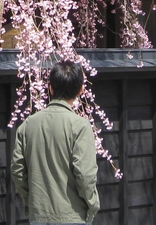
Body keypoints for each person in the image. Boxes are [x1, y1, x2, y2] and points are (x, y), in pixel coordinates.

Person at [12, 60, 100, 225]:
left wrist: (32, 202)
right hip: (72, 215)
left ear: (50, 88)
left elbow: (18, 171)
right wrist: (92, 205)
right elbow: (85, 174)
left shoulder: (28, 125)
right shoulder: (80, 126)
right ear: (81, 89)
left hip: (39, 215)